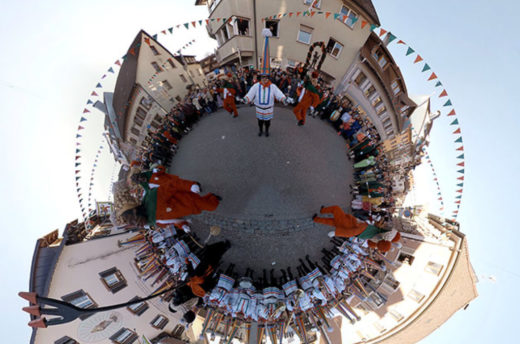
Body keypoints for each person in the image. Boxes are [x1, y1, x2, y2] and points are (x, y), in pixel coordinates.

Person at [243, 28, 287, 137]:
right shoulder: (256, 86)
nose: (264, 79)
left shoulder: (272, 86)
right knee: (259, 121)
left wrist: (283, 98)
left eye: (266, 77)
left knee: (267, 122)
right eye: (263, 77)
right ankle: (260, 130)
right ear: (260, 77)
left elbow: (278, 93)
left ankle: (266, 130)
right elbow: (251, 94)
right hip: (258, 108)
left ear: (268, 77)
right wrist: (246, 98)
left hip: (268, 109)